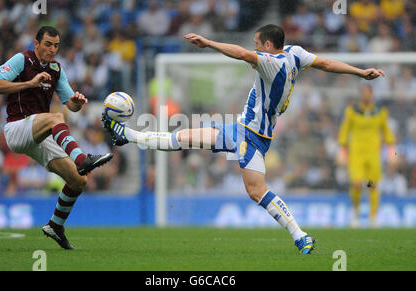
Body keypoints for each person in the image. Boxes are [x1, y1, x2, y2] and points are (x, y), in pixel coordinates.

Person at [102, 25, 385, 254]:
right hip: (239, 128)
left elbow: (241, 54)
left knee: (256, 191)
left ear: (267, 46)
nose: (254, 48)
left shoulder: (271, 63)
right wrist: (360, 72)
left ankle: (300, 234)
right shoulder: (295, 54)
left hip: (252, 137)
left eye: (257, 44)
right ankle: (127, 134)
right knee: (184, 137)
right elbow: (325, 63)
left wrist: (209, 43)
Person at [0, 26, 113, 249]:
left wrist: (77, 101)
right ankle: (82, 159)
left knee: (79, 180)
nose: (52, 49)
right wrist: (30, 83)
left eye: (56, 45)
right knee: (55, 117)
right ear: (36, 43)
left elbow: (71, 106)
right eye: (48, 44)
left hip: (39, 132)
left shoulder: (56, 69)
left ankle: (55, 225)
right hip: (17, 128)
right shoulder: (22, 60)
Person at [338, 85, 396, 228]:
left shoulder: (380, 112)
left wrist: (392, 149)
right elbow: (344, 131)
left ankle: (373, 217)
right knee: (357, 183)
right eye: (363, 93)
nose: (365, 95)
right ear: (360, 95)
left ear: (371, 94)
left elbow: (387, 131)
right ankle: (356, 213)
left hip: (373, 155)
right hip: (356, 154)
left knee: (372, 185)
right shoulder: (352, 111)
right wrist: (342, 149)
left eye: (367, 93)